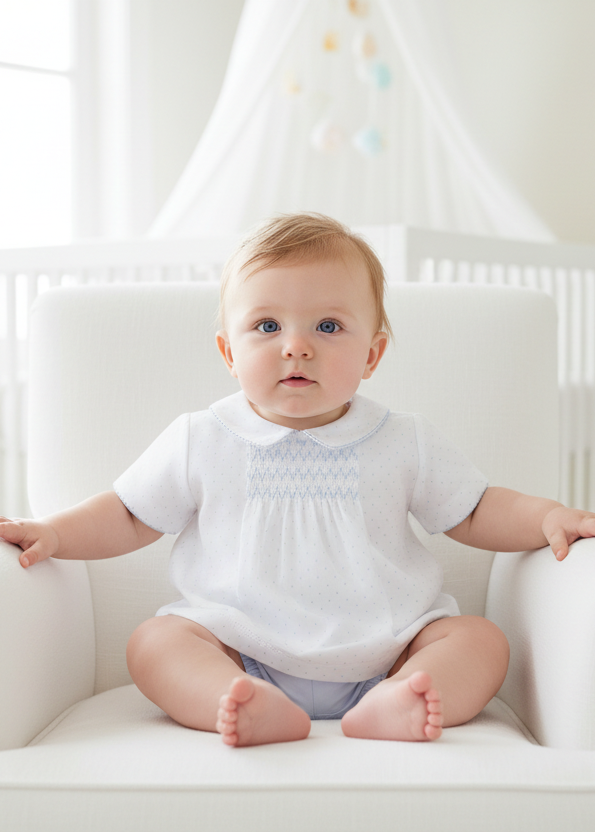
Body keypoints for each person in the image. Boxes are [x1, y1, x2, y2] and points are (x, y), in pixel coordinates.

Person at [2, 213, 595, 749]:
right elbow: (129, 513)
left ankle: (402, 701)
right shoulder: (202, 438)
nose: (296, 347)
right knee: (155, 643)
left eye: (329, 326)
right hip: (242, 651)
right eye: (265, 326)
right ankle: (236, 704)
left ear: (372, 355)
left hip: (391, 650)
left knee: (481, 640)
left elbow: (474, 509)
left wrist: (545, 517)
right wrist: (53, 532)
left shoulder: (401, 438)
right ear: (228, 352)